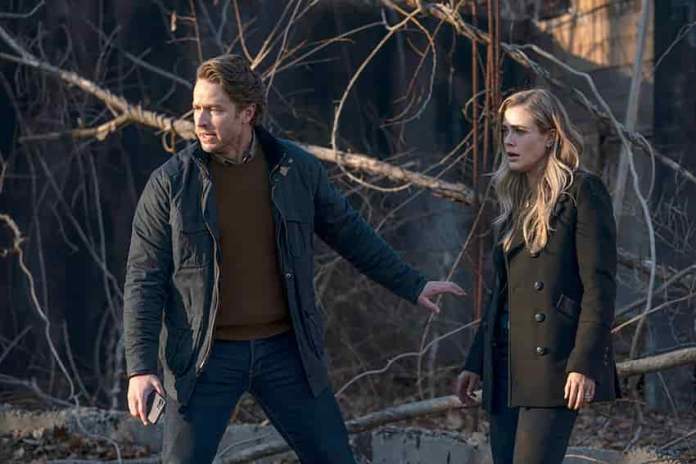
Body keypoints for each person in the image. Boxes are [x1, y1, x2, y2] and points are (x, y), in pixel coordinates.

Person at [123, 54, 465, 464]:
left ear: (247, 113)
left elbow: (351, 233)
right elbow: (144, 278)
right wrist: (140, 368)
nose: (201, 120)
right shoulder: (171, 184)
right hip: (204, 358)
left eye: (214, 109)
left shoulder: (294, 170)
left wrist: (412, 284)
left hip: (284, 351)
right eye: (196, 108)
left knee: (334, 458)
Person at [455, 88, 620, 464]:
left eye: (520, 131)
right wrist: (475, 361)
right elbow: (503, 293)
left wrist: (584, 363)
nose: (508, 141)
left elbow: (599, 287)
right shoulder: (514, 197)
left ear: (549, 136)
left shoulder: (583, 191)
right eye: (505, 131)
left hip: (553, 362)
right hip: (505, 362)